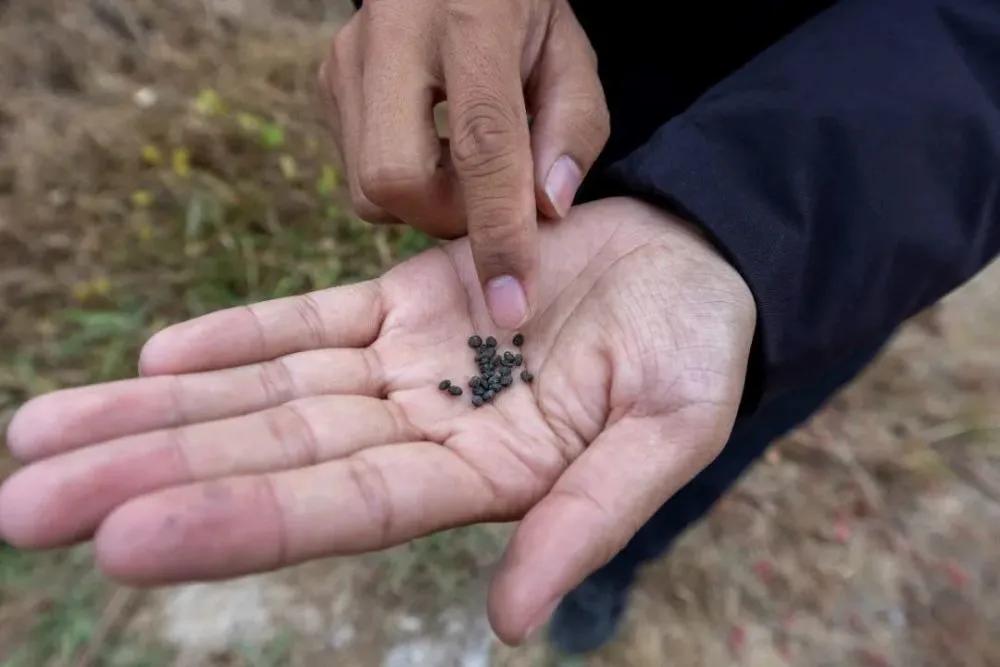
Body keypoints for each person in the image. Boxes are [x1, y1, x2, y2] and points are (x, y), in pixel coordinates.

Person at [0, 0, 998, 656]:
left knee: (696, 415)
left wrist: (752, 222)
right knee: (505, 297)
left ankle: (618, 562)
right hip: (550, 89)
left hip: (839, 201)